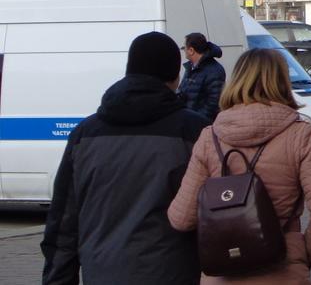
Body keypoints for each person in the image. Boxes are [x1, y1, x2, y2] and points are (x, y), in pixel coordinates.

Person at [42, 31, 208, 285]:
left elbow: (63, 224)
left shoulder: (84, 135)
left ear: (129, 70)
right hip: (175, 273)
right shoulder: (195, 132)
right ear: (175, 77)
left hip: (101, 273)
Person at [168, 48, 311, 284]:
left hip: (223, 272)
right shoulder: (301, 134)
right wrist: (302, 253)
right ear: (281, 81)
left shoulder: (210, 137)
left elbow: (181, 218)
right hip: (283, 269)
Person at [178, 32, 226, 123]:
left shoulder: (215, 71)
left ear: (191, 50)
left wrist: (195, 121)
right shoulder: (190, 67)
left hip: (202, 126)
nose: (183, 50)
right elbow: (182, 92)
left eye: (184, 48)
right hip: (188, 122)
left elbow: (213, 104)